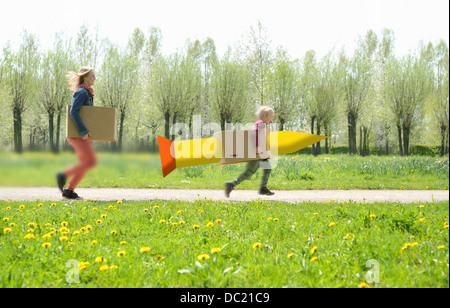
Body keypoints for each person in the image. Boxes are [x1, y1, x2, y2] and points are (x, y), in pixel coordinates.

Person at [56, 67, 97, 199]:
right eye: (92, 76)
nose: (95, 78)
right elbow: (73, 112)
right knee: (91, 162)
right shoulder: (81, 92)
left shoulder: (87, 92)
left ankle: (69, 191)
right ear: (85, 77)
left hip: (82, 135)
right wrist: (83, 131)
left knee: (85, 164)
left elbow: (87, 115)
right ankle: (63, 174)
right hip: (78, 135)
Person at [225, 106, 275, 198]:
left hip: (259, 153)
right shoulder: (261, 124)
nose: (272, 118)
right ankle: (231, 185)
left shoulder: (259, 123)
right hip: (256, 153)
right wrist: (257, 147)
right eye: (272, 116)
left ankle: (263, 188)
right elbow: (255, 134)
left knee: (267, 167)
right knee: (249, 172)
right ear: (265, 115)